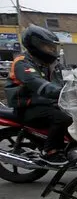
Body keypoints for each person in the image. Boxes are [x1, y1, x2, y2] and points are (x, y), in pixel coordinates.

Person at [4, 25, 72, 165]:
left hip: (42, 102)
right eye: (48, 47)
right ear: (35, 44)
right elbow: (37, 83)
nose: (52, 50)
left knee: (73, 114)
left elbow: (66, 77)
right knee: (61, 118)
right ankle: (50, 152)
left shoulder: (48, 63)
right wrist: (60, 92)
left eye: (53, 47)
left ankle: (68, 146)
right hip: (26, 105)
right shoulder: (23, 63)